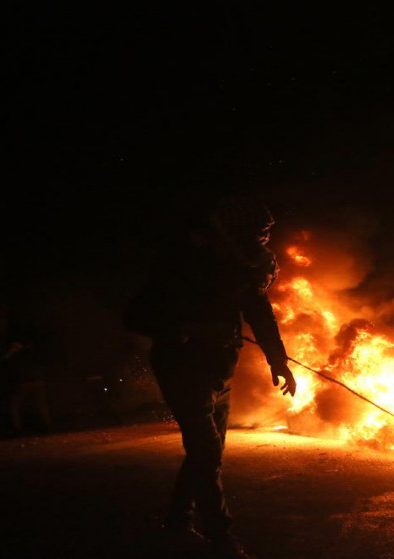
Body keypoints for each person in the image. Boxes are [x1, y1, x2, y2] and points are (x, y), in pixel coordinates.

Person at [124, 196, 296, 559]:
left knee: (208, 452)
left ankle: (177, 523)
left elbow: (260, 313)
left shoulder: (241, 269)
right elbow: (136, 316)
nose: (263, 240)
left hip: (220, 369)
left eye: (265, 233)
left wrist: (278, 361)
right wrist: (186, 328)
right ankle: (221, 537)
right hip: (182, 367)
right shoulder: (179, 266)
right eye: (255, 232)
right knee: (205, 452)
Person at [0, 338, 52, 435]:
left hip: (24, 382)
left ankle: (17, 429)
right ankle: (47, 426)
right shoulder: (32, 353)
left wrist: (10, 353)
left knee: (14, 406)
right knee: (41, 405)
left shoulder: (15, 356)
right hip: (38, 381)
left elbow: (4, 363)